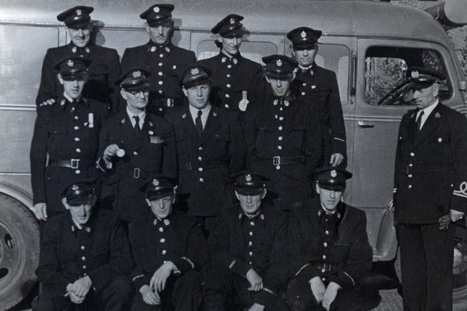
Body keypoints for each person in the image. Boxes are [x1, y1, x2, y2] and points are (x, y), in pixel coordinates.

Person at [388, 67, 467, 311]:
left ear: (436, 90)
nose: (416, 95)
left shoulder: (453, 121)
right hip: (410, 205)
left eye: (421, 89)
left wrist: (458, 204)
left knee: (437, 267)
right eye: (413, 89)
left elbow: (465, 166)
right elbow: (401, 164)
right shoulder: (408, 120)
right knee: (412, 267)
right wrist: (397, 198)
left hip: (438, 208)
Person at [198, 171, 298, 311]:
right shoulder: (226, 215)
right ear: (237, 194)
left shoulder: (278, 219)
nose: (249, 200)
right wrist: (245, 271)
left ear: (263, 193)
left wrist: (261, 303)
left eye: (253, 194)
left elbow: (280, 264)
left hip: (265, 284)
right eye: (244, 194)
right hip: (235, 282)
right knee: (213, 277)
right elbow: (216, 251)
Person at [25, 181, 133, 311]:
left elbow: (123, 261)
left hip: (97, 286)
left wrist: (90, 280)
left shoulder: (109, 221)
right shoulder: (55, 226)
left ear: (94, 201)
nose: (82, 211)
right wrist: (69, 287)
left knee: (122, 285)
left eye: (86, 204)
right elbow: (45, 269)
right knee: (45, 308)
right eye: (76, 205)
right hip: (68, 287)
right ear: (65, 204)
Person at [285, 167, 372, 311]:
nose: (331, 195)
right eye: (327, 189)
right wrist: (312, 278)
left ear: (342, 191)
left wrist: (337, 283)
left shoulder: (355, 217)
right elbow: (292, 253)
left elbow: (361, 260)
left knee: (349, 305)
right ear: (318, 188)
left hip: (338, 277)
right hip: (309, 276)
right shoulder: (300, 211)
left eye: (337, 190)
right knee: (297, 300)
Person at [127, 175, 207, 311]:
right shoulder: (137, 227)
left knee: (192, 278)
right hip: (153, 287)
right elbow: (132, 263)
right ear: (148, 202)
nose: (161, 206)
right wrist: (143, 288)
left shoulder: (188, 223)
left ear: (173, 197)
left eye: (165, 199)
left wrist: (172, 265)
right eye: (156, 201)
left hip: (181, 287)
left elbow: (201, 256)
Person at [166, 64, 245, 232]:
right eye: (194, 89)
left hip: (219, 195)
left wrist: (229, 191)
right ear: (185, 91)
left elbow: (238, 159)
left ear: (210, 88)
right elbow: (170, 162)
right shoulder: (172, 120)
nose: (199, 94)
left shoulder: (228, 118)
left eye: (203, 87)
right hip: (185, 195)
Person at [30, 56, 108, 221]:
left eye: (79, 78)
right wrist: (40, 198)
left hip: (89, 185)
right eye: (69, 79)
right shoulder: (48, 112)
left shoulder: (98, 110)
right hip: (56, 189)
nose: (75, 84)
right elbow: (37, 157)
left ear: (86, 78)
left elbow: (103, 151)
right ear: (60, 79)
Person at [242, 54, 323, 211]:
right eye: (274, 78)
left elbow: (315, 152)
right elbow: (248, 149)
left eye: (283, 78)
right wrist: (259, 174)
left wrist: (300, 175)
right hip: (265, 183)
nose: (278, 84)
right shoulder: (257, 109)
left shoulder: (307, 109)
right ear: (267, 78)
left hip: (296, 185)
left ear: (292, 78)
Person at [97, 67, 177, 223]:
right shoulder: (110, 125)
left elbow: (169, 168)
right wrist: (106, 158)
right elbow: (100, 171)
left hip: (150, 198)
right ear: (123, 94)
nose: (142, 96)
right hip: (120, 199)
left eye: (145, 91)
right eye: (135, 92)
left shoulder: (162, 126)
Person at [36, 6, 121, 111]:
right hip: (65, 120)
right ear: (68, 30)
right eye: (75, 29)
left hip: (99, 120)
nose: (80, 35)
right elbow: (45, 93)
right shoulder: (54, 55)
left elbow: (116, 96)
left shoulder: (108, 55)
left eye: (84, 28)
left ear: (90, 27)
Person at [121, 4, 196, 116]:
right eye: (155, 27)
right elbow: (124, 93)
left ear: (171, 26)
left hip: (177, 116)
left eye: (165, 26)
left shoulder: (186, 56)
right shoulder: (133, 55)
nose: (160, 32)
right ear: (147, 27)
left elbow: (191, 92)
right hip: (145, 115)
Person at [287, 27, 346, 167]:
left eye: (310, 48)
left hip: (321, 147)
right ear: (293, 50)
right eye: (300, 49)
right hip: (292, 147)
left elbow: (335, 115)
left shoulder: (327, 77)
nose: (305, 54)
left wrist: (338, 148)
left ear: (317, 49)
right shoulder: (285, 78)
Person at [199, 14, 263, 112]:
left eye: (238, 37)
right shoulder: (205, 66)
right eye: (230, 38)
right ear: (220, 38)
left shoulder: (253, 69)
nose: (235, 43)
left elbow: (257, 106)